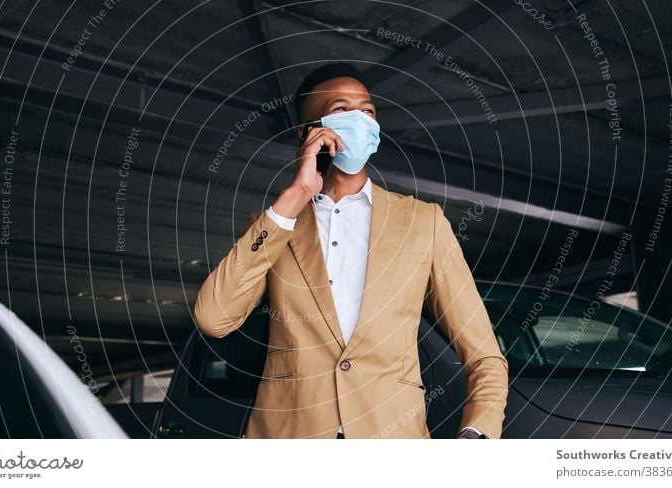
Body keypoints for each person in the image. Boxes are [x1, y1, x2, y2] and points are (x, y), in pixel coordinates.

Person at [193, 62, 508, 439]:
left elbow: (485, 355)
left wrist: (477, 435)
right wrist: (295, 197)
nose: (359, 119)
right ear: (307, 132)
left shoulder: (423, 222)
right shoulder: (277, 225)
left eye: (368, 111)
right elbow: (214, 317)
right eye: (341, 110)